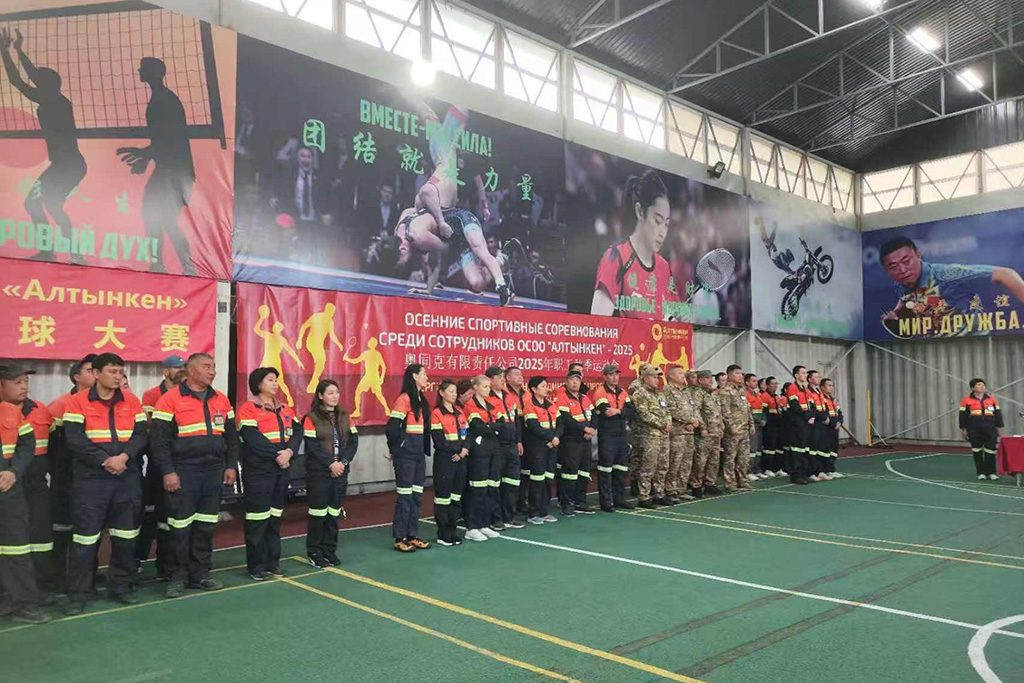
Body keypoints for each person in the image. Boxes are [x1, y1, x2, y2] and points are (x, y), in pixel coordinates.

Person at [62, 353, 147, 613]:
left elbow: (141, 435)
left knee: (125, 536)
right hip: (92, 479)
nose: (118, 376)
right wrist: (104, 460)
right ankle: (78, 594)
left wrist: (124, 457)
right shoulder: (77, 402)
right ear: (96, 373)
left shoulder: (132, 401)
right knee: (85, 539)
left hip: (126, 476)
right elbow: (74, 439)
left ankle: (121, 586)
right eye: (112, 371)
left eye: (120, 372)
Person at [150, 353, 237, 597]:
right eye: (206, 366)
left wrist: (230, 465)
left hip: (213, 471)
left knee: (206, 525)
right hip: (183, 471)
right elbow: (159, 442)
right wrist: (168, 471)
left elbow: (231, 437)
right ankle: (176, 576)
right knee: (180, 527)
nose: (212, 371)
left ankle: (200, 574)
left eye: (214, 367)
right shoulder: (169, 400)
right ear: (190, 369)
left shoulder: (221, 399)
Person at [0, 28, 87, 264]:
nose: (36, 82)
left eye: (40, 81)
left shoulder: (52, 99)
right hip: (66, 164)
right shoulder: (54, 97)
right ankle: (59, 252)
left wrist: (5, 52)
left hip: (68, 165)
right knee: (42, 204)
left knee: (44, 204)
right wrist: (18, 50)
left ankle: (69, 253)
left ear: (47, 85)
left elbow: (18, 80)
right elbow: (34, 76)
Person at [116, 57, 197, 274]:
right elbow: (163, 141)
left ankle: (180, 266)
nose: (139, 70)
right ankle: (163, 265)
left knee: (158, 215)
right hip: (171, 169)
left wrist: (143, 154)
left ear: (153, 72)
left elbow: (169, 140)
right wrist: (145, 158)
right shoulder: (160, 99)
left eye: (143, 68)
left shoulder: (164, 101)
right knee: (157, 216)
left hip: (175, 171)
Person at [880, 237, 1024, 335]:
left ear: (918, 254)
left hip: (976, 342)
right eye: (893, 266)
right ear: (886, 270)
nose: (902, 270)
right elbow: (909, 302)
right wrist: (896, 314)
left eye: (906, 261)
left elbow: (1006, 274)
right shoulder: (901, 284)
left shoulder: (947, 276)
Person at [237, 367, 302, 578]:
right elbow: (251, 437)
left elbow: (297, 432)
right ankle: (256, 566)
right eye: (270, 380)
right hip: (259, 471)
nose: (275, 384)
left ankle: (272, 562)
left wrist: (290, 452)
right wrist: (277, 456)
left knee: (275, 517)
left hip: (281, 469)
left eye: (276, 380)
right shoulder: (248, 408)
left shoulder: (285, 409)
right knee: (258, 518)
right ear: (258, 384)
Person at [591, 169, 680, 320]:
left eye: (666, 224)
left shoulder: (664, 267)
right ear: (640, 212)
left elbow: (676, 320)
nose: (663, 232)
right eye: (657, 221)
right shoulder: (616, 258)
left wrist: (680, 319)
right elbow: (597, 328)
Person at [0, 364, 55, 594]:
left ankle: (33, 592)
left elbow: (30, 444)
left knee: (26, 542)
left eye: (25, 382)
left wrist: (14, 471)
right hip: (9, 485)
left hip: (22, 484)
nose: (24, 387)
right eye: (17, 382)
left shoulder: (25, 410)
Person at [47, 354, 96, 594]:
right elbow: (51, 446)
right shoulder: (60, 405)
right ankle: (57, 579)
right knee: (62, 529)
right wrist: (59, 473)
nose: (96, 374)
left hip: (93, 477)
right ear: (76, 377)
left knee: (89, 531)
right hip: (66, 477)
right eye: (90, 370)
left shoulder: (103, 403)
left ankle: (88, 578)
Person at [137, 355, 188, 580]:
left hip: (181, 463)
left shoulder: (189, 393)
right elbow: (152, 427)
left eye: (184, 366)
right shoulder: (151, 395)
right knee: (151, 515)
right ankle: (138, 560)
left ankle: (167, 564)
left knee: (172, 517)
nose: (182, 370)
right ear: (166, 371)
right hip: (158, 463)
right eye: (177, 367)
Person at [0, 398, 48, 624]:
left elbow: (28, 444)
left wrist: (14, 471)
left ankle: (24, 604)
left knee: (17, 549)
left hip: (9, 489)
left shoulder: (10, 411)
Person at [302, 379, 358, 567]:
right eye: (330, 393)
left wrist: (342, 463)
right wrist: (330, 464)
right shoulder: (311, 418)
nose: (335, 396)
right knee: (318, 514)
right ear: (320, 395)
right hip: (319, 473)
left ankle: (329, 550)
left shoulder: (345, 416)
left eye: (337, 392)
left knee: (334, 513)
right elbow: (312, 446)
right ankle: (314, 551)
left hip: (341, 472)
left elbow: (353, 441)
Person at [385, 364, 432, 552]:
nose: (427, 377)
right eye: (424, 374)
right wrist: (396, 449)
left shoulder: (422, 400)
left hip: (419, 455)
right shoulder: (404, 399)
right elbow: (392, 427)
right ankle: (400, 538)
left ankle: (412, 535)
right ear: (414, 376)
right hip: (406, 456)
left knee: (417, 496)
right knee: (405, 497)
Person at [462, 375, 505, 542]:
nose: (488, 389)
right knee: (478, 489)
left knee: (490, 488)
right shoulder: (470, 405)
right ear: (476, 388)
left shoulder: (491, 404)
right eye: (485, 386)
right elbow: (477, 427)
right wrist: (492, 428)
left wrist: (491, 427)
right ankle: (472, 527)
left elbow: (502, 422)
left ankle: (484, 524)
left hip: (494, 449)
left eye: (489, 386)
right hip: (479, 452)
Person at [591, 363, 636, 511]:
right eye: (611, 374)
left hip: (621, 435)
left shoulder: (622, 391)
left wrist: (617, 411)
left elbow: (631, 411)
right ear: (605, 376)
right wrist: (621, 412)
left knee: (620, 468)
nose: (615, 377)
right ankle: (606, 502)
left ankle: (619, 499)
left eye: (616, 374)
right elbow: (606, 412)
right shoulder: (600, 391)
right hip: (607, 435)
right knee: (605, 469)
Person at [486, 367, 524, 529]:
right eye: (499, 377)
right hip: (497, 445)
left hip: (512, 445)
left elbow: (516, 422)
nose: (502, 380)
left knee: (512, 482)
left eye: (503, 377)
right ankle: (495, 519)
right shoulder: (486, 398)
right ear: (490, 380)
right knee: (495, 483)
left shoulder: (509, 397)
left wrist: (519, 441)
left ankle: (509, 517)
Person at [430, 380, 468, 546]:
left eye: (455, 391)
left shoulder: (460, 412)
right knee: (443, 498)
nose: (454, 394)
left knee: (456, 497)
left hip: (461, 459)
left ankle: (453, 531)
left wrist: (464, 450)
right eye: (450, 391)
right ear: (441, 393)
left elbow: (468, 434)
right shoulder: (437, 413)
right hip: (445, 460)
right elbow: (439, 441)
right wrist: (457, 450)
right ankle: (443, 533)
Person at [555, 370, 596, 516]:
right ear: (566, 382)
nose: (575, 383)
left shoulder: (585, 398)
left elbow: (595, 415)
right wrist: (584, 429)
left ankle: (580, 502)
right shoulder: (562, 398)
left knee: (584, 472)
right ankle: (567, 504)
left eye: (577, 380)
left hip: (586, 441)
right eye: (572, 380)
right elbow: (566, 419)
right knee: (569, 474)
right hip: (570, 441)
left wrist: (592, 429)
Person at [631, 364, 671, 508]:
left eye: (657, 378)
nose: (656, 380)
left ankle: (659, 494)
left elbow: (667, 411)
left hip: (663, 435)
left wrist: (668, 423)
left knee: (662, 466)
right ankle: (644, 496)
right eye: (653, 377)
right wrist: (662, 424)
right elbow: (644, 414)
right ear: (645, 378)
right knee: (648, 467)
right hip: (650, 435)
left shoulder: (659, 394)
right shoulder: (640, 394)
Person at [522, 376, 561, 525]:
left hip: (552, 447)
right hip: (537, 447)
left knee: (548, 479)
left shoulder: (551, 404)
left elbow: (560, 424)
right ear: (534, 389)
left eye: (546, 385)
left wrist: (555, 437)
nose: (546, 388)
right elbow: (533, 426)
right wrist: (550, 438)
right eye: (543, 386)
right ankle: (533, 513)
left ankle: (544, 511)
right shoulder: (530, 405)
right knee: (537, 480)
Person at [664, 366, 701, 502]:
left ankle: (681, 489)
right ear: (671, 376)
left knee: (686, 462)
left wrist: (695, 421)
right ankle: (670, 490)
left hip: (689, 432)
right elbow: (671, 410)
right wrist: (689, 420)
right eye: (679, 373)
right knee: (675, 462)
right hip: (677, 432)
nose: (683, 375)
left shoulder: (686, 391)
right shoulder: (668, 390)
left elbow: (693, 408)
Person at [959, 378, 1003, 481]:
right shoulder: (966, 400)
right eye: (978, 385)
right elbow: (962, 416)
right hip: (974, 429)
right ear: (972, 388)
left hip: (990, 429)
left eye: (983, 385)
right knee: (977, 451)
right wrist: (963, 429)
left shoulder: (992, 399)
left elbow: (998, 414)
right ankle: (981, 473)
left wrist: (999, 427)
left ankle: (991, 472)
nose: (982, 387)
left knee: (991, 451)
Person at [719, 365, 753, 493]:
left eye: (741, 373)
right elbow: (725, 411)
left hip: (744, 428)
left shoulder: (741, 389)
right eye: (737, 373)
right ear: (729, 375)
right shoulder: (725, 390)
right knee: (730, 457)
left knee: (743, 458)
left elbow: (746, 408)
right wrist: (731, 426)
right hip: (733, 430)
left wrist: (751, 424)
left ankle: (742, 480)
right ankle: (730, 483)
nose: (740, 376)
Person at [691, 370, 724, 497]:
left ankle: (710, 483)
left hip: (715, 432)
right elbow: (696, 411)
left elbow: (718, 412)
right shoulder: (698, 393)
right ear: (700, 380)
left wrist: (721, 427)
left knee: (714, 460)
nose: (710, 380)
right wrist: (702, 428)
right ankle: (696, 485)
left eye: (711, 378)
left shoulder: (712, 394)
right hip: (705, 433)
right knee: (701, 460)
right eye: (707, 378)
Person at [505, 366, 530, 514]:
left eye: (521, 374)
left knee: (525, 470)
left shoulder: (527, 394)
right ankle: (511, 505)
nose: (520, 377)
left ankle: (522, 501)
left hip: (528, 432)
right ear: (507, 378)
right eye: (516, 374)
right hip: (513, 432)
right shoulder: (505, 394)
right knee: (512, 471)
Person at [785, 366, 814, 485]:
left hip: (805, 422)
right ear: (796, 375)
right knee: (797, 449)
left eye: (806, 373)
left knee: (804, 449)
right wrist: (807, 416)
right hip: (797, 423)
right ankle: (796, 475)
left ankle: (804, 473)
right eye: (803, 373)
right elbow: (794, 405)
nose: (805, 375)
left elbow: (811, 405)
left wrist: (812, 416)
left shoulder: (806, 390)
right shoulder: (792, 388)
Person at [760, 377, 785, 478]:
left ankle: (777, 468)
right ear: (767, 385)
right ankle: (767, 468)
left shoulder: (777, 397)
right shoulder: (764, 396)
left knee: (779, 447)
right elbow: (764, 411)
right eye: (773, 384)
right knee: (769, 447)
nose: (775, 386)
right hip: (770, 426)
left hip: (779, 425)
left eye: (776, 383)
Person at [820, 378, 844, 479]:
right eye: (829, 385)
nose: (831, 387)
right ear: (822, 387)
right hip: (826, 429)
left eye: (832, 385)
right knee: (825, 449)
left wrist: (840, 422)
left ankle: (831, 469)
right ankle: (823, 470)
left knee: (834, 449)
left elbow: (839, 413)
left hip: (835, 428)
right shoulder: (821, 398)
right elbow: (822, 413)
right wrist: (831, 423)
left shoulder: (833, 399)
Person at [745, 373, 767, 481]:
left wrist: (764, 419)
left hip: (759, 425)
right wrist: (758, 420)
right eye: (753, 381)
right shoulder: (746, 394)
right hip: (752, 424)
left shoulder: (757, 394)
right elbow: (748, 412)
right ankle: (748, 470)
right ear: (747, 382)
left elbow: (762, 409)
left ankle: (756, 469)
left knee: (758, 448)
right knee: (752, 448)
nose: (756, 383)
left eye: (756, 381)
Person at [806, 370, 827, 482]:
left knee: (820, 447)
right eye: (816, 377)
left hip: (821, 423)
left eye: (819, 377)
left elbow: (824, 406)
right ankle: (811, 472)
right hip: (814, 423)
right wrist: (821, 417)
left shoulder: (819, 391)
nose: (819, 379)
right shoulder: (808, 392)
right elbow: (812, 409)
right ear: (809, 379)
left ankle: (819, 470)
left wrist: (826, 417)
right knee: (812, 448)